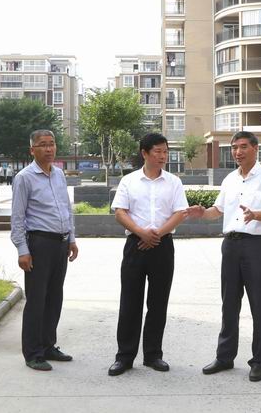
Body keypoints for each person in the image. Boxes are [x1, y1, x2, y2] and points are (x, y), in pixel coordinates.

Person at [186, 131, 261, 382]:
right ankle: (225, 357)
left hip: (256, 247)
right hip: (230, 246)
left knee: (259, 305)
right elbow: (217, 210)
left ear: (255, 148)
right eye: (234, 148)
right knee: (229, 303)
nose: (237, 152)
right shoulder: (230, 179)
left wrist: (256, 214)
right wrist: (202, 212)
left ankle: (259, 361)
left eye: (243, 147)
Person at [108, 133, 188, 376]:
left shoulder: (173, 182)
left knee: (158, 302)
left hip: (163, 246)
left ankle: (153, 355)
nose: (163, 156)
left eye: (165, 151)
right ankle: (124, 357)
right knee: (130, 302)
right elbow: (120, 212)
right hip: (135, 245)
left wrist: (157, 234)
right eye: (158, 151)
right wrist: (141, 232)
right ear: (144, 153)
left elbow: (180, 212)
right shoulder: (129, 181)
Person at [10, 129, 79, 371]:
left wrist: (71, 239)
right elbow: (17, 217)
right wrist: (22, 249)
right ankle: (33, 353)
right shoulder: (24, 178)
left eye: (52, 144)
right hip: (39, 244)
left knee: (54, 297)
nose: (49, 149)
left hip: (60, 243)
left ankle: (48, 345)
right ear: (32, 150)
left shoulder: (59, 174)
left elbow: (66, 208)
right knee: (37, 300)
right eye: (42, 144)